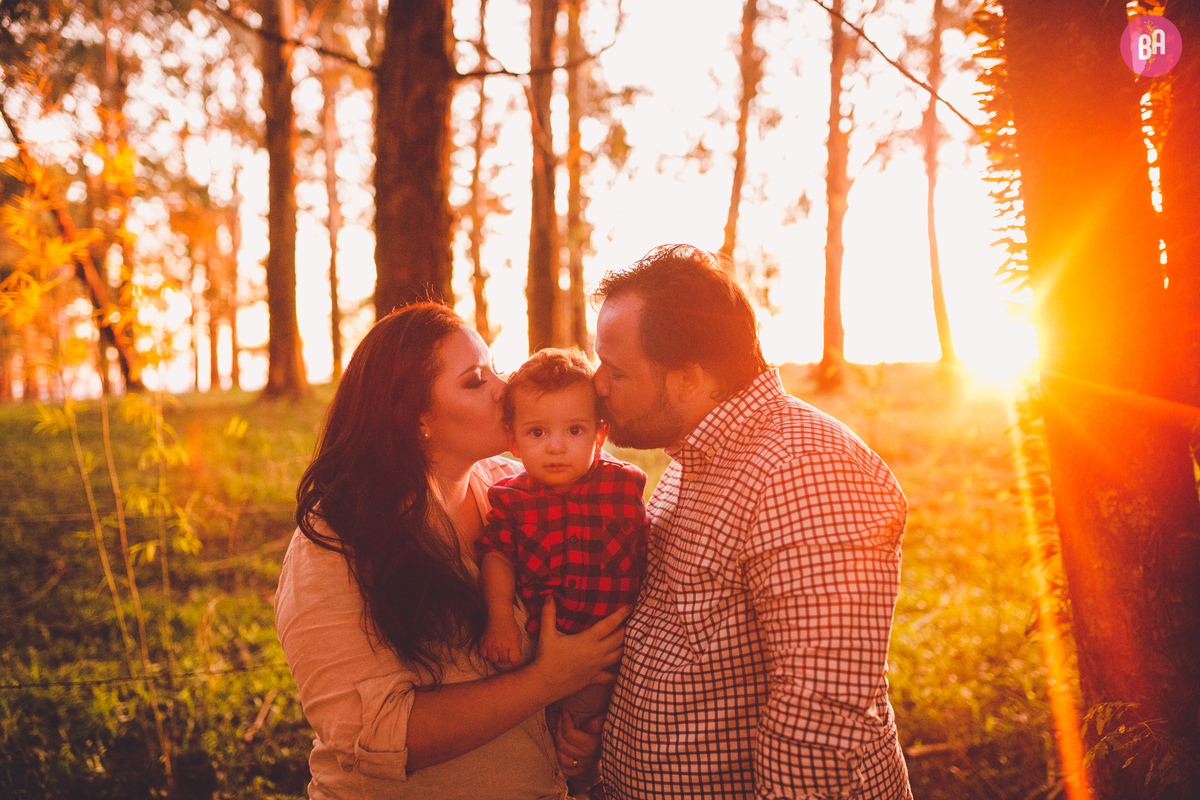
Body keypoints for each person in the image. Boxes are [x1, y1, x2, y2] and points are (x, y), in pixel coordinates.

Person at [590, 245, 912, 799]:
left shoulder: (806, 468)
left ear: (688, 379)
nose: (596, 383)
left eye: (615, 370)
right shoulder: (695, 460)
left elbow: (820, 718)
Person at [274, 303, 628, 799]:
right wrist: (546, 681)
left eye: (494, 370)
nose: (504, 388)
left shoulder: (521, 491)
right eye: (475, 381)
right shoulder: (335, 543)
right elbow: (372, 734)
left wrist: (573, 729)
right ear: (414, 416)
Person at [478, 348, 648, 724]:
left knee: (598, 744)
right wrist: (499, 616)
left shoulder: (623, 486)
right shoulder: (512, 499)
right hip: (545, 654)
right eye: (537, 432)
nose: (556, 446)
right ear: (514, 441)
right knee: (556, 735)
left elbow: (648, 553)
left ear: (599, 434)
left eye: (575, 430)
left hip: (622, 657)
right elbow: (497, 555)